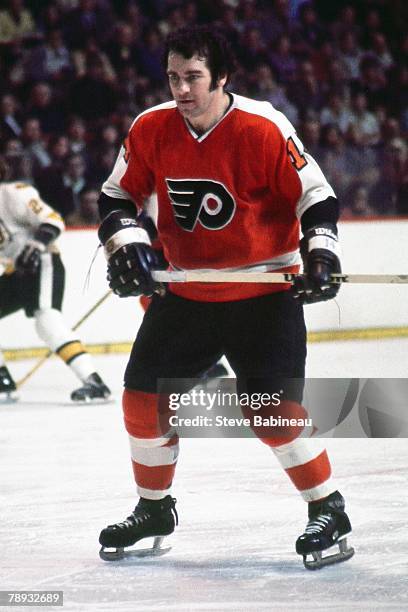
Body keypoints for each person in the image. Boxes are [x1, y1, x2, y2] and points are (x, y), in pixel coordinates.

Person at [96, 26, 353, 570]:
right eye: (173, 77)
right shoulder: (151, 127)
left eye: (193, 78)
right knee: (142, 403)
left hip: (262, 292)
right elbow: (117, 194)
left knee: (273, 413)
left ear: (222, 79)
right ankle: (154, 508)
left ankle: (328, 507)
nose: (182, 90)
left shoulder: (263, 127)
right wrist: (128, 241)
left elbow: (317, 197)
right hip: (188, 290)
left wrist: (322, 254)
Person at [0, 155, 111, 403]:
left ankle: (94, 382)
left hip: (43, 262)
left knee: (47, 322)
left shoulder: (13, 193)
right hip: (15, 270)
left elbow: (52, 221)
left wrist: (36, 243)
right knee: (46, 322)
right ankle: (2, 382)